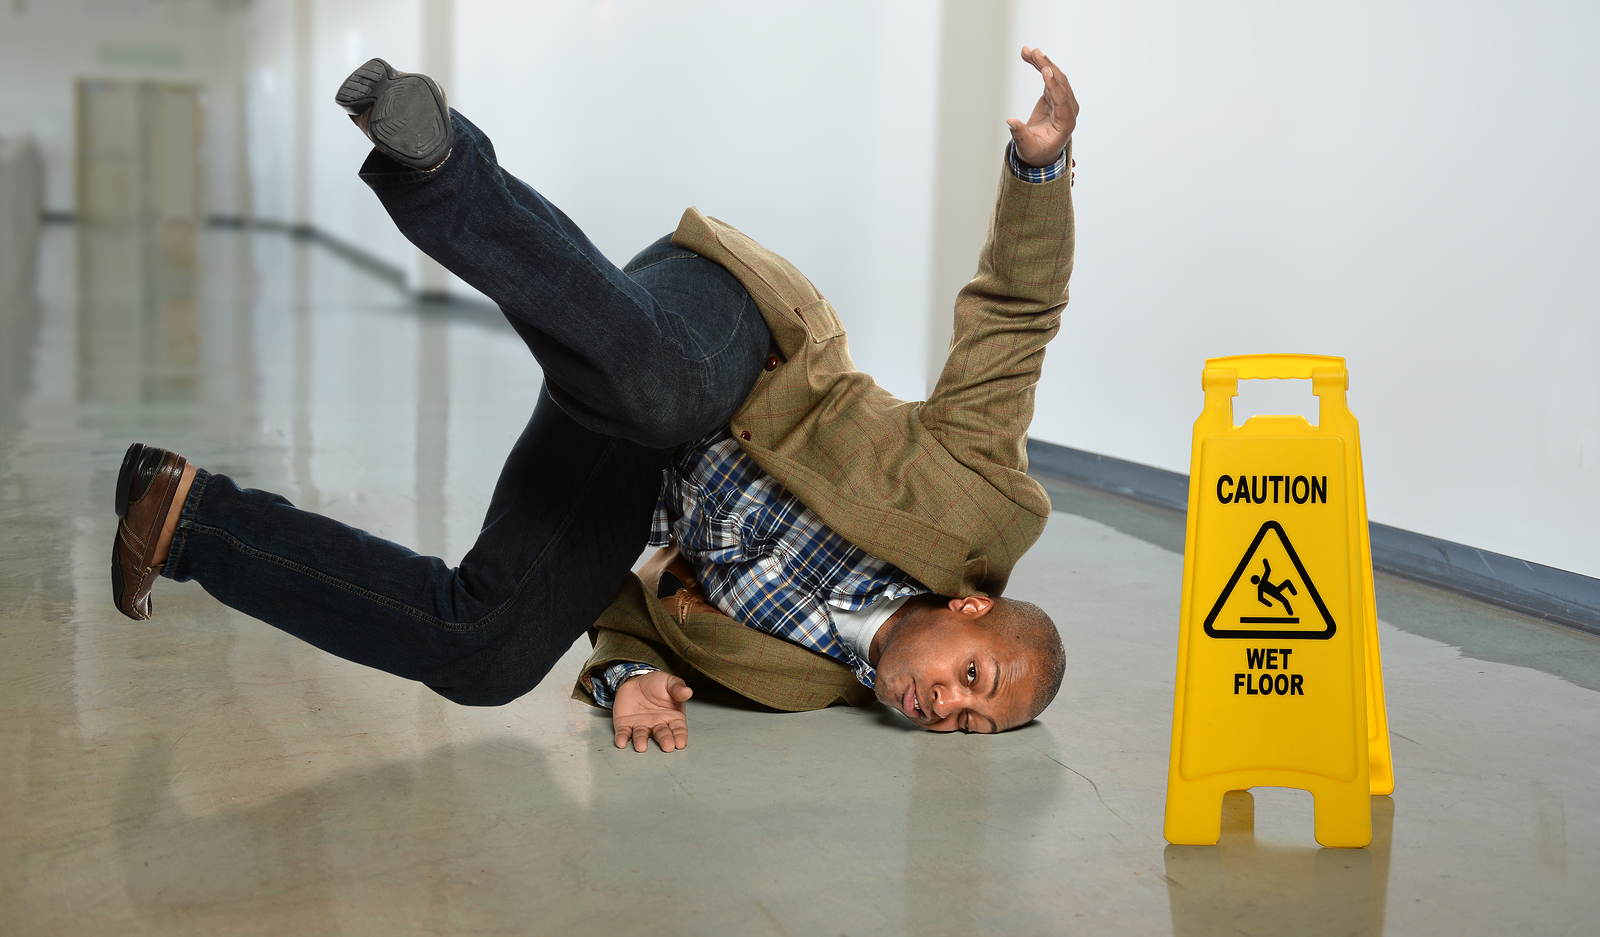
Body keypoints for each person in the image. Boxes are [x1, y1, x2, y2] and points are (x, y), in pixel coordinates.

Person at [110, 46, 1079, 753]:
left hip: (627, 461)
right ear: (972, 604)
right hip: (732, 344)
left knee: (485, 655)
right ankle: (439, 167)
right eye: (972, 678)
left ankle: (190, 520)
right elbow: (1013, 320)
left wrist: (628, 677)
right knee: (663, 394)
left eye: (971, 721)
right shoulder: (977, 503)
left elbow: (633, 612)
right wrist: (1039, 169)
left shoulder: (803, 683)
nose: (947, 705)